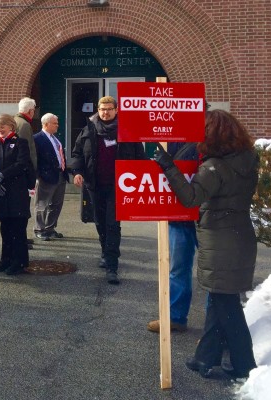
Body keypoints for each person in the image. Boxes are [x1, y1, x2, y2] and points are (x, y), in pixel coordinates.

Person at [153, 109, 259, 379]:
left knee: (226, 306)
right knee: (221, 299)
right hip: (240, 236)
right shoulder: (247, 159)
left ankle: (244, 365)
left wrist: (168, 166)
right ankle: (205, 358)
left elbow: (191, 197)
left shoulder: (215, 167)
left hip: (220, 239)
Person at [68, 96, 146, 285]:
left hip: (119, 186)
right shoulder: (89, 129)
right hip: (95, 185)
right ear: (98, 109)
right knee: (100, 221)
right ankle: (105, 251)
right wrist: (77, 171)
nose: (105, 112)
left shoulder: (127, 131)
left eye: (109, 109)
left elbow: (139, 158)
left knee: (112, 224)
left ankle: (112, 266)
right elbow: (77, 153)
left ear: (116, 110)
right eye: (102, 109)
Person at [147, 142, 199, 333]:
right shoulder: (168, 138)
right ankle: (175, 317)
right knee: (178, 267)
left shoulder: (210, 136)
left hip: (206, 216)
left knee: (214, 274)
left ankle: (215, 329)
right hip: (179, 213)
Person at [0, 114, 35, 275]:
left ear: (11, 126)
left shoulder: (21, 143)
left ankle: (18, 262)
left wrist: (2, 176)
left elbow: (22, 164)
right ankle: (5, 260)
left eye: (2, 126)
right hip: (0, 193)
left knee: (17, 229)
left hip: (16, 192)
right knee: (5, 228)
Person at [33, 113, 69, 241]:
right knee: (42, 203)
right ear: (46, 124)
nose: (57, 125)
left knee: (56, 204)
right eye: (55, 123)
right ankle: (39, 229)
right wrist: (39, 175)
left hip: (60, 175)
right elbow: (35, 159)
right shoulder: (37, 138)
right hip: (46, 177)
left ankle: (50, 228)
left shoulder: (55, 138)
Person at [15, 97, 38, 249]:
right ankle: (20, 239)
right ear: (30, 111)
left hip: (20, 172)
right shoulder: (24, 125)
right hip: (24, 173)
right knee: (22, 208)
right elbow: (25, 151)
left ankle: (21, 237)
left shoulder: (17, 121)